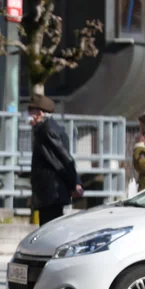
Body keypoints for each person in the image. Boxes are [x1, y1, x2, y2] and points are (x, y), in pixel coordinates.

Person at [27, 94, 83, 226]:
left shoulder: (46, 131)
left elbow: (63, 158)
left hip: (50, 194)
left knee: (49, 230)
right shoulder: (47, 128)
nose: (28, 116)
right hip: (49, 194)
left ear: (39, 113)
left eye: (31, 112)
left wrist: (75, 183)